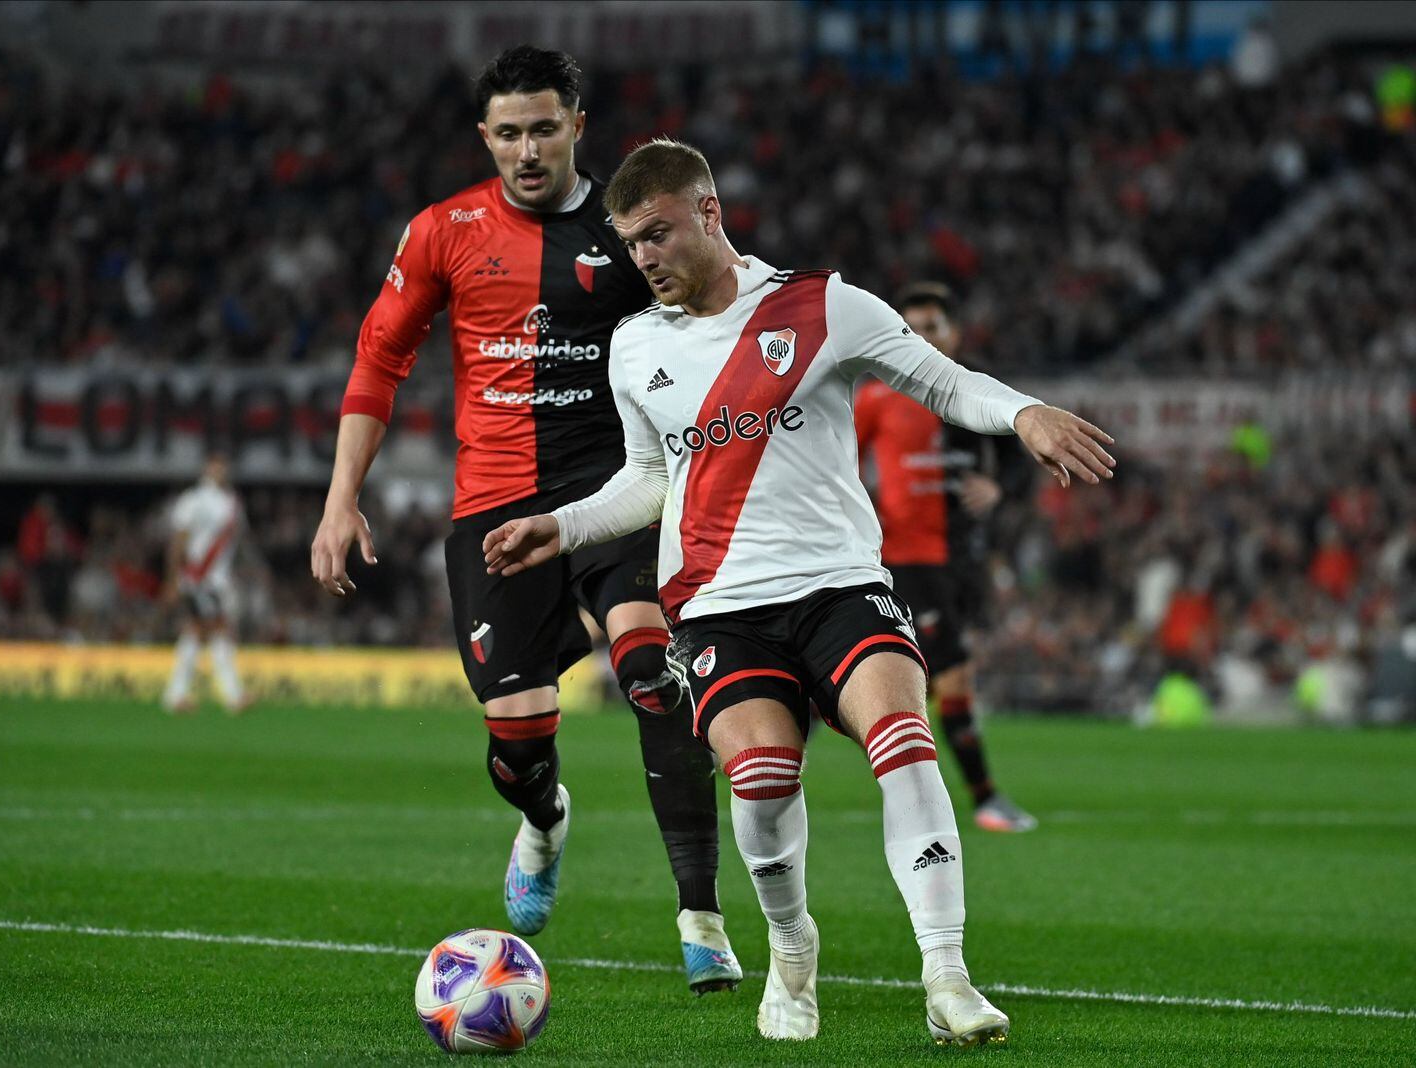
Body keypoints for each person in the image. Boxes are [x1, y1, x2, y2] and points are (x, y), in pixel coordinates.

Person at [482, 138, 1115, 1044]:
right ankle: (791, 945)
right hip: (717, 605)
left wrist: (1024, 413)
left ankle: (947, 974)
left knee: (904, 738)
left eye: (658, 233)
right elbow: (650, 476)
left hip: (838, 583)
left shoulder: (823, 306)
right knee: (765, 779)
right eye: (630, 243)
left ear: (709, 212)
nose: (645, 257)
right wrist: (567, 524)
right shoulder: (634, 347)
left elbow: (942, 381)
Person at [308, 47, 740, 994]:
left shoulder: (629, 230)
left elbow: (718, 310)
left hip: (620, 488)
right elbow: (379, 362)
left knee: (654, 672)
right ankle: (544, 819)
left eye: (545, 127)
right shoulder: (443, 231)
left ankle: (700, 915)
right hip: (498, 505)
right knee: (516, 738)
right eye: (508, 132)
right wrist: (342, 498)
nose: (528, 149)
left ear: (578, 124)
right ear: (484, 138)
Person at [854, 282, 1038, 832]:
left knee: (932, 678)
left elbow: (1019, 453)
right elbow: (836, 461)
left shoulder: (975, 391)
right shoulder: (877, 396)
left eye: (932, 327)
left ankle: (779, 733)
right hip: (907, 559)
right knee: (952, 675)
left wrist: (999, 487)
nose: (921, 339)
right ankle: (983, 799)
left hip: (962, 558)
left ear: (954, 333)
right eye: (910, 328)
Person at [163, 454, 252, 715]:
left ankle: (176, 694)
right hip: (199, 578)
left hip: (217, 578)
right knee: (218, 629)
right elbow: (178, 541)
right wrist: (172, 579)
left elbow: (236, 547)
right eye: (215, 464)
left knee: (197, 632)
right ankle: (233, 695)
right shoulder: (192, 500)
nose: (220, 469)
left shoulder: (232, 502)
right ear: (206, 467)